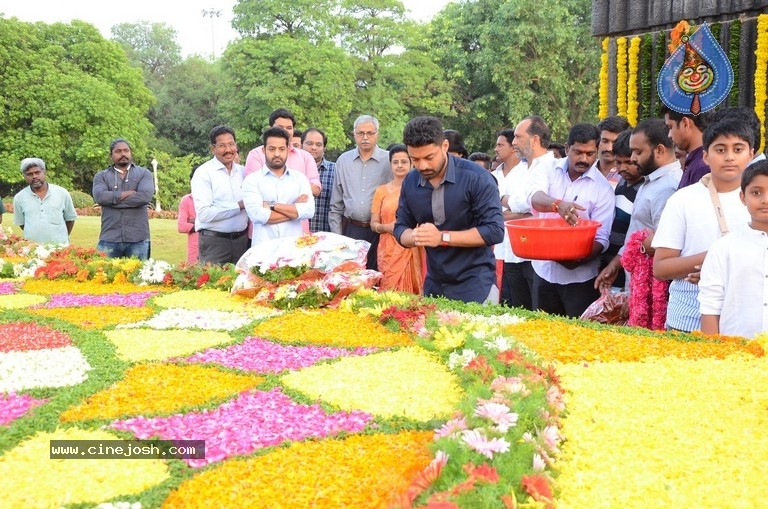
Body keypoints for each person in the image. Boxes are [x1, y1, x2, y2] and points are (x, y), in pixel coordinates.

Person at [652, 118, 754, 332]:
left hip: (746, 322)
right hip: (688, 320)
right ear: (706, 157)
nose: (729, 157)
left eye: (738, 149)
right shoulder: (683, 200)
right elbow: (661, 268)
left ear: (751, 155)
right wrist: (714, 259)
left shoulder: (761, 201)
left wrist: (724, 269)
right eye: (720, 149)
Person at [393, 116, 504, 303]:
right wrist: (415, 236)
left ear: (444, 146)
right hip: (434, 285)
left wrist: (442, 238)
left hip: (476, 284)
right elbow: (400, 226)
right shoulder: (411, 182)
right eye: (415, 159)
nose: (423, 166)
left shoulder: (477, 178)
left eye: (429, 157)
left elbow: (494, 231)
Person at [526, 123, 615, 318]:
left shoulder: (603, 189)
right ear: (567, 148)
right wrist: (558, 205)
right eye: (578, 152)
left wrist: (576, 259)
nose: (584, 159)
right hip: (543, 273)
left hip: (580, 280)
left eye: (590, 153)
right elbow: (534, 197)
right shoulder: (547, 169)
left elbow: (601, 238)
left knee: (577, 339)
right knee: (542, 333)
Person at [596, 120, 682, 291]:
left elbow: (663, 247)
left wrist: (640, 291)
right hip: (635, 284)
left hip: (649, 290)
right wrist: (617, 264)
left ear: (659, 150)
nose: (633, 159)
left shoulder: (667, 188)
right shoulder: (651, 181)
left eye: (637, 152)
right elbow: (637, 232)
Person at [698, 160, 768, 338]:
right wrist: (713, 355)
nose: (765, 200)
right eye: (756, 193)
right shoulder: (724, 247)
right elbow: (711, 305)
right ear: (743, 198)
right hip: (736, 353)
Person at [329, 115, 392, 270]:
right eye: (360, 133)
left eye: (370, 133)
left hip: (380, 231)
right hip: (351, 229)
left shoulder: (389, 160)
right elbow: (335, 206)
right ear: (354, 134)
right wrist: (339, 239)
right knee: (351, 277)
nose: (365, 137)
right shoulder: (344, 161)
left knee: (379, 277)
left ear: (377, 134)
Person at [242, 127, 315, 244]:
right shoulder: (252, 180)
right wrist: (295, 209)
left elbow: (309, 211)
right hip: (263, 251)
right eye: (272, 149)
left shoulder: (300, 179)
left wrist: (272, 206)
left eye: (281, 149)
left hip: (293, 250)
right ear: (263, 150)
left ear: (288, 149)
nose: (277, 154)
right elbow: (258, 216)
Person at [369, 144, 424, 294]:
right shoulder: (381, 191)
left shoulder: (421, 189)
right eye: (395, 162)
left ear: (411, 163)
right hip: (387, 249)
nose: (400, 166)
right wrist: (387, 228)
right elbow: (373, 224)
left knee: (411, 295)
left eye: (404, 162)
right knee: (388, 291)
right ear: (390, 164)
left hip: (411, 245)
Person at [191, 125, 249, 265]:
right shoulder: (203, 173)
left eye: (231, 144)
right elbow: (205, 213)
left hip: (242, 242)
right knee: (212, 284)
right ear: (213, 148)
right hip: (214, 243)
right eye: (222, 145)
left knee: (243, 285)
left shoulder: (244, 172)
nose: (228, 150)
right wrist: (239, 206)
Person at [594, 129, 644, 290]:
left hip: (630, 267)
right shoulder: (620, 183)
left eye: (629, 162)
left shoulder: (645, 190)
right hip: (609, 263)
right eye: (618, 162)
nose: (622, 168)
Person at [92, 138, 154, 259]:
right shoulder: (102, 176)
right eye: (118, 151)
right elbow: (100, 197)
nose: (123, 154)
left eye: (126, 150)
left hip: (138, 238)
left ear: (130, 153)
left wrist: (111, 199)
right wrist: (128, 194)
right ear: (111, 155)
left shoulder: (144, 173)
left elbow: (144, 197)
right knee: (103, 276)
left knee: (138, 277)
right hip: (109, 237)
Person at [493, 129, 533, 308]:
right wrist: (517, 213)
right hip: (500, 248)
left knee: (524, 303)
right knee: (503, 302)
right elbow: (488, 212)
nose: (496, 149)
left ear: (512, 148)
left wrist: (500, 214)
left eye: (500, 145)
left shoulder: (527, 173)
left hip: (525, 249)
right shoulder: (492, 176)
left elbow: (531, 210)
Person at [244, 108, 321, 197]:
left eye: (289, 128)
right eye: (280, 127)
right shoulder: (256, 155)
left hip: (297, 211)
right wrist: (299, 190)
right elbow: (255, 189)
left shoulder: (305, 157)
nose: (284, 131)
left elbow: (315, 189)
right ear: (270, 128)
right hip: (266, 210)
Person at [13, 157, 77, 244]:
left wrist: (61, 237)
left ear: (44, 172)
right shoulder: (19, 198)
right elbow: (22, 224)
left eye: (37, 172)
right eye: (30, 174)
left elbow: (70, 219)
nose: (34, 176)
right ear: (24, 176)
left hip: (60, 249)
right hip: (32, 248)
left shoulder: (62, 193)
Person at [663, 106, 711, 189]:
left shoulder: (702, 167)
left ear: (685, 124)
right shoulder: (696, 162)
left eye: (670, 127)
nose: (669, 135)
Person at [302, 128, 336, 233]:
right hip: (296, 235)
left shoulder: (335, 170)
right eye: (309, 143)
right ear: (301, 144)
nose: (313, 148)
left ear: (324, 148)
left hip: (326, 235)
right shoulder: (292, 170)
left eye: (318, 144)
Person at [594, 116, 631, 188]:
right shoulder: (586, 170)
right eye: (605, 141)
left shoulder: (629, 175)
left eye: (615, 142)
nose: (609, 148)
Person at [177, 168, 199, 264]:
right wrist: (203, 225)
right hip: (194, 251)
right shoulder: (187, 200)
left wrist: (195, 222)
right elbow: (181, 227)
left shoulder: (215, 198)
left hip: (213, 247)